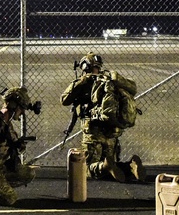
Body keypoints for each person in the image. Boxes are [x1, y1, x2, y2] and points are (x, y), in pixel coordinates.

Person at [61, 52, 145, 182]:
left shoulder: (85, 82)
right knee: (111, 164)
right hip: (112, 134)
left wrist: (81, 81)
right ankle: (130, 166)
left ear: (84, 67)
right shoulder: (109, 81)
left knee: (88, 169)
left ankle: (105, 166)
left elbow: (64, 99)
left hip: (93, 134)